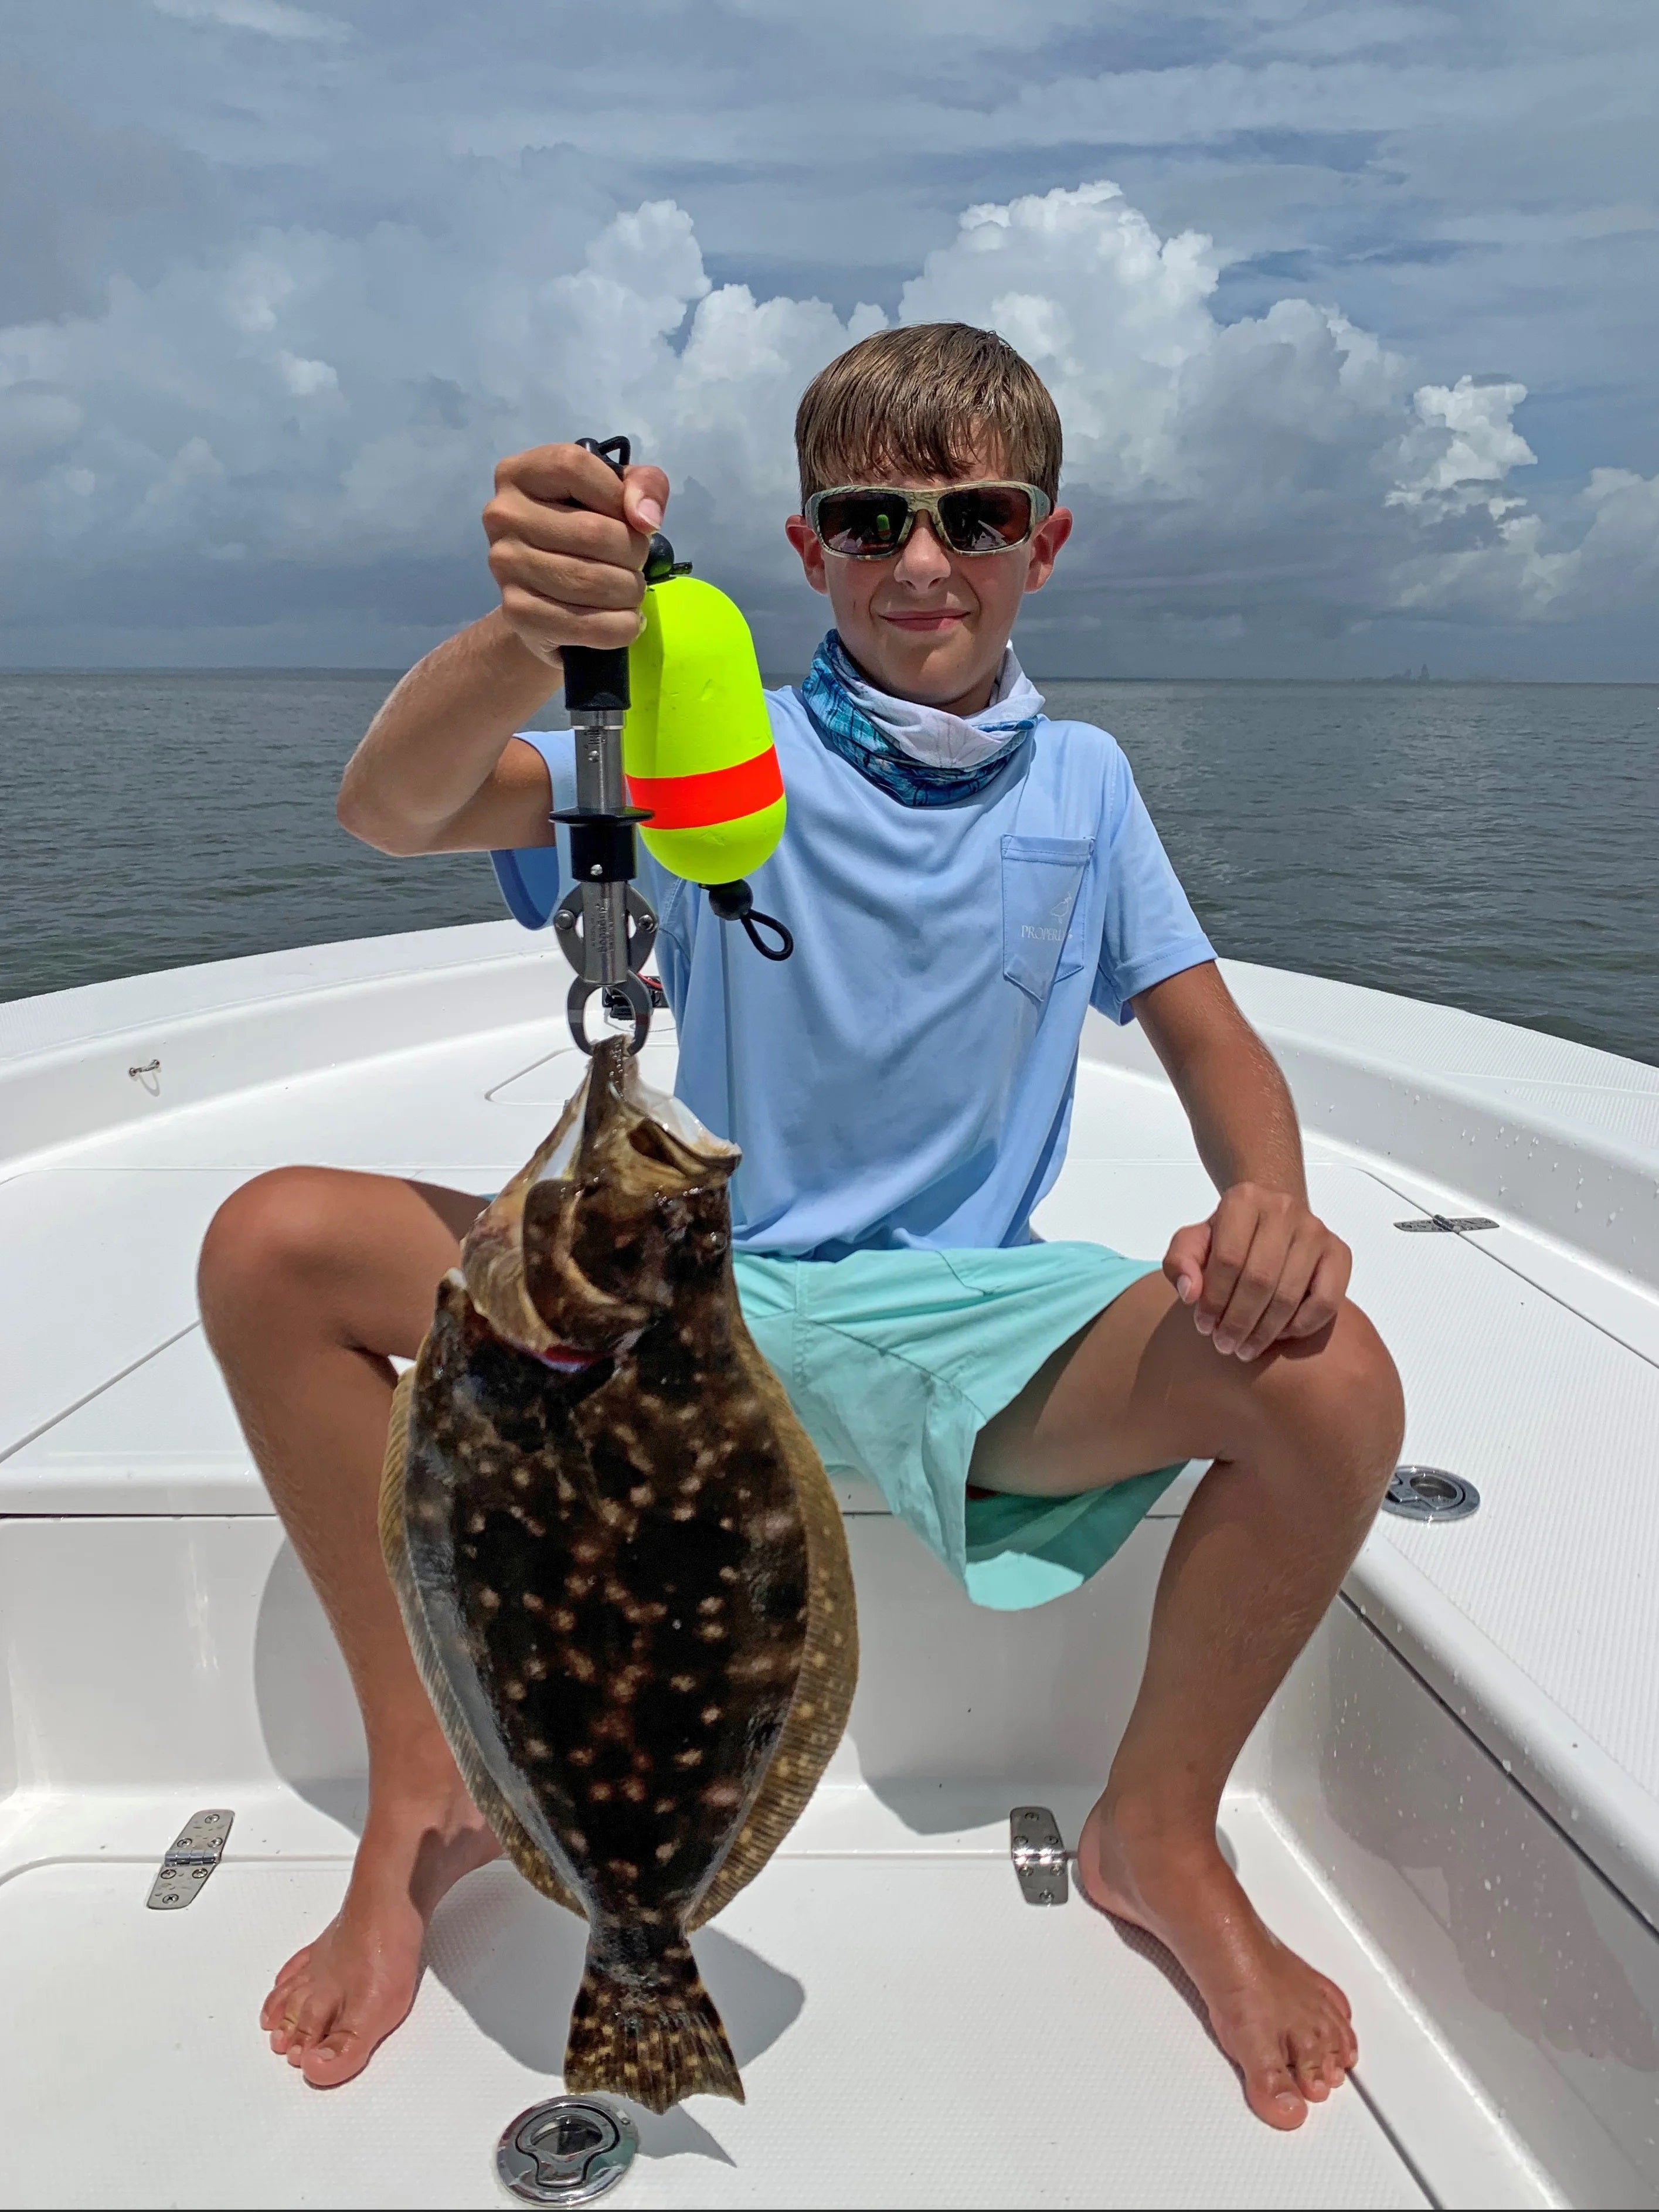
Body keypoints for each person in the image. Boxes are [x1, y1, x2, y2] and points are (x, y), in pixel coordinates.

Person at [198, 321, 1403, 2128]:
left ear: (1042, 543)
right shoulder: (712, 748)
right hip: (704, 1291)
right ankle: (430, 1781)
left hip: (963, 1321)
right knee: (272, 1245)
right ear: (808, 547)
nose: (925, 561)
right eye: (872, 519)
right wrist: (536, 629)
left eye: (977, 516)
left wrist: (1274, 1207)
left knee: (1330, 1379)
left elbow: (1209, 1033)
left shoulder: (1087, 789)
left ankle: (1160, 1834)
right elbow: (400, 808)